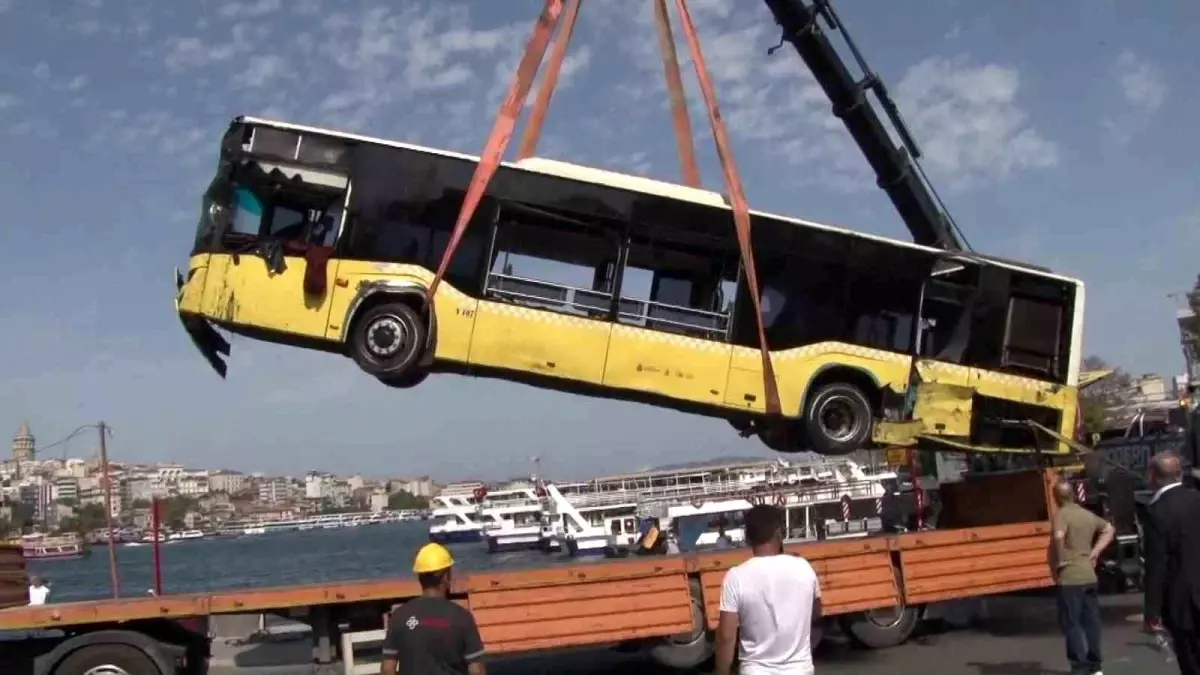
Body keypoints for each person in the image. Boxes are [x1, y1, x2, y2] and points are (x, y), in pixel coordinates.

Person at [715, 505, 821, 675]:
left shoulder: (736, 577)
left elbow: (726, 638)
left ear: (748, 537)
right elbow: (816, 616)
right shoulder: (804, 568)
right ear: (780, 533)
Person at [380, 543, 486, 675]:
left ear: (419, 577)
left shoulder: (399, 617)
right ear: (446, 577)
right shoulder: (461, 618)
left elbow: (387, 669)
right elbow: (477, 671)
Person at [1142, 452, 1200, 675]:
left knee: (1190, 660)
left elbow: (1157, 565)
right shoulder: (1197, 498)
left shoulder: (1157, 511)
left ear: (1154, 475)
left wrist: (1151, 613)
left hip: (1181, 600)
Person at [1050, 479, 1115, 675]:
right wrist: (1095, 552)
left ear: (1056, 497)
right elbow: (1109, 529)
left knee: (1072, 624)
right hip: (1089, 575)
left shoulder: (1061, 515)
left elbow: (1059, 536)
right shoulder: (1087, 515)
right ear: (1073, 494)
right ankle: (1096, 666)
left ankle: (1079, 668)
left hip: (1070, 578)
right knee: (1092, 622)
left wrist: (1060, 560)